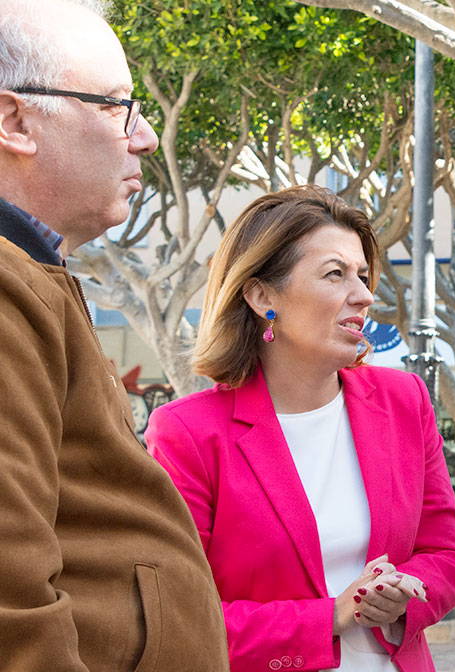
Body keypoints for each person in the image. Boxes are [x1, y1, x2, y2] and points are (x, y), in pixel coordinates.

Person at [145, 185, 455, 672]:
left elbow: (448, 554)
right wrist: (331, 617)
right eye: (335, 274)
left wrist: (404, 596)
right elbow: (179, 616)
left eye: (362, 275)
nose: (363, 296)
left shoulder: (405, 400)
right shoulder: (187, 432)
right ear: (261, 296)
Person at [0, 0, 230, 669]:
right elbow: (11, 610)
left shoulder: (32, 274)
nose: (146, 137)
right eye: (115, 106)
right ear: (15, 120)